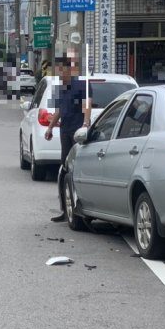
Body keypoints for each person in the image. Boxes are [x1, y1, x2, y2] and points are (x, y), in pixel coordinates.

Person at [44, 60, 90, 223]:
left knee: (78, 169)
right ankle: (65, 209)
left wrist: (86, 123)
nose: (59, 74)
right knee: (65, 168)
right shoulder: (61, 88)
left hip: (77, 133)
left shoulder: (81, 85)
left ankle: (82, 209)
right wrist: (50, 127)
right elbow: (59, 110)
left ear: (70, 70)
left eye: (61, 70)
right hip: (65, 131)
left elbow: (86, 105)